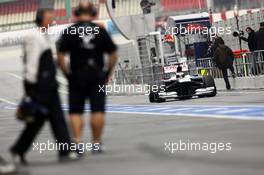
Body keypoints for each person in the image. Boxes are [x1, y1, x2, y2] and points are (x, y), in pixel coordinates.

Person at [10, 8, 79, 165]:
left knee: (57, 119)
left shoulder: (44, 35)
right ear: (41, 19)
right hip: (41, 87)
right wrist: (31, 89)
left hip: (49, 86)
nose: (52, 21)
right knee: (36, 121)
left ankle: (65, 150)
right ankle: (18, 149)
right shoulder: (34, 37)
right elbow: (32, 64)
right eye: (49, 18)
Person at [56, 2, 118, 153]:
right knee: (97, 110)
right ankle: (96, 144)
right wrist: (107, 72)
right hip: (96, 75)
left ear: (76, 12)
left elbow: (60, 55)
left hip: (76, 75)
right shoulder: (100, 30)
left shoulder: (69, 31)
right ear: (93, 12)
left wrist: (67, 74)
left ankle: (77, 143)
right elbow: (113, 54)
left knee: (76, 111)